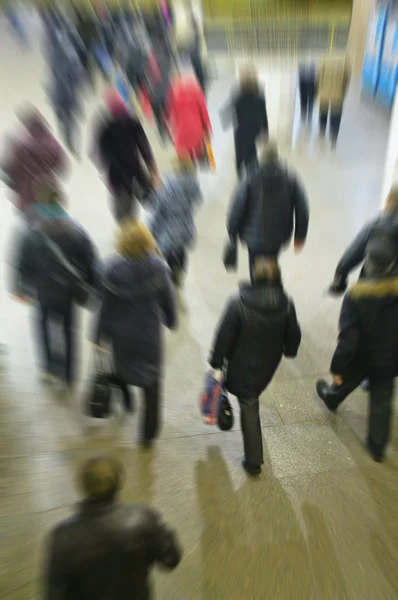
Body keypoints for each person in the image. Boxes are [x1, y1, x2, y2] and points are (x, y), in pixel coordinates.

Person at [44, 453, 182, 600]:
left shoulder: (63, 535)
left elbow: (55, 593)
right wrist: (160, 529)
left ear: (83, 485)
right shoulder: (142, 518)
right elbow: (171, 559)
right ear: (118, 483)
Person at [208, 258, 301, 476]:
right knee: (251, 396)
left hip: (241, 364)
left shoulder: (238, 302)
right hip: (268, 364)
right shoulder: (286, 303)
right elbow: (294, 335)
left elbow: (224, 336)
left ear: (254, 277)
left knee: (249, 404)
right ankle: (253, 459)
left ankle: (254, 461)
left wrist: (216, 362)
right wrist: (290, 350)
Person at [10, 177, 100, 388]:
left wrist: (20, 287)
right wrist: (93, 286)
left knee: (43, 328)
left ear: (40, 202)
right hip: (68, 292)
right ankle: (69, 375)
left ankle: (50, 369)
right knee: (69, 331)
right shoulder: (75, 230)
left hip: (42, 291)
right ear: (61, 201)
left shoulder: (31, 229)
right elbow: (90, 261)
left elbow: (22, 260)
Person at [316, 237, 398, 462]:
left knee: (346, 380)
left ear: (367, 265)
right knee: (382, 400)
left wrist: (337, 366)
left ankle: (331, 398)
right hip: (390, 359)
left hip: (362, 356)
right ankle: (377, 447)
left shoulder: (356, 295)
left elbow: (348, 339)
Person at [95, 220, 176, 444]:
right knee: (152, 385)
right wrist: (171, 320)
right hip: (148, 334)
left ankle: (128, 400)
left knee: (121, 369)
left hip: (121, 335)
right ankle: (148, 435)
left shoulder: (110, 269)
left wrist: (99, 336)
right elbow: (169, 301)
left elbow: (105, 306)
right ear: (148, 242)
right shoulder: (159, 269)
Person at [225, 142, 310, 281]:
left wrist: (232, 232)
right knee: (273, 260)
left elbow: (236, 207)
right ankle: (273, 288)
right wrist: (300, 235)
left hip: (253, 237)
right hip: (279, 236)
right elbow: (303, 209)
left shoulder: (249, 176)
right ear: (277, 156)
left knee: (255, 265)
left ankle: (257, 288)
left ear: (260, 156)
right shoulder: (291, 177)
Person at [93, 88, 160, 222]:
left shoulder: (105, 126)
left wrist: (104, 168)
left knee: (124, 213)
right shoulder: (132, 121)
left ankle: (129, 235)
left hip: (117, 176)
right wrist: (152, 168)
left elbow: (100, 152)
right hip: (135, 170)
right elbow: (144, 147)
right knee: (152, 203)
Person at [148, 155, 203, 306]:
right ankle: (179, 274)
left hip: (168, 224)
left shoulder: (169, 183)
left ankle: (168, 282)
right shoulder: (194, 183)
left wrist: (156, 189)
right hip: (185, 223)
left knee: (165, 254)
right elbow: (198, 200)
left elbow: (157, 204)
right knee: (180, 250)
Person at [329, 185, 398, 294]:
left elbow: (352, 254)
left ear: (388, 200)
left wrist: (339, 282)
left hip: (371, 288)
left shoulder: (375, 224)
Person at [1, 108, 68, 217]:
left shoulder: (19, 146)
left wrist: (14, 186)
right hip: (47, 193)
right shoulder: (51, 142)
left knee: (28, 225)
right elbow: (62, 166)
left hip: (25, 195)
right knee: (50, 222)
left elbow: (7, 168)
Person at [46, 20, 85, 156]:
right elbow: (79, 75)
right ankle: (70, 143)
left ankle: (67, 139)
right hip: (69, 94)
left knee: (63, 118)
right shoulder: (72, 55)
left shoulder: (53, 54)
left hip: (59, 93)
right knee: (70, 120)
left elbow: (52, 73)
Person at [220, 69, 268, 178]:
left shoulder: (237, 94)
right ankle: (252, 169)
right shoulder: (259, 93)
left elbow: (232, 112)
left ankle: (239, 170)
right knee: (252, 148)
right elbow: (264, 112)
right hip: (255, 126)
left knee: (240, 148)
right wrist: (265, 130)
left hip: (240, 127)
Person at [166, 72, 212, 160]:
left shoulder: (173, 95)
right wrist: (208, 129)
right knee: (199, 152)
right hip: (197, 131)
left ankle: (191, 166)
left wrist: (173, 133)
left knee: (186, 158)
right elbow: (204, 114)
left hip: (182, 133)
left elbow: (172, 117)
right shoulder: (197, 93)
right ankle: (198, 161)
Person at [317, 56, 350, 144]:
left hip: (324, 90)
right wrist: (343, 90)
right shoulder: (344, 58)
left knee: (323, 113)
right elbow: (346, 76)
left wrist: (318, 89)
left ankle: (322, 133)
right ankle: (333, 139)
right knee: (336, 115)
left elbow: (319, 74)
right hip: (337, 91)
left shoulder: (324, 57)